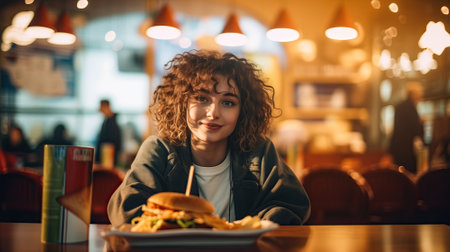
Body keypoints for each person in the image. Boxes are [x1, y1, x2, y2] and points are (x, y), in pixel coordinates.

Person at [107, 50, 311, 226]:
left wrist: (251, 228)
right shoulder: (159, 148)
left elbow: (291, 204)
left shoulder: (258, 150)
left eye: (228, 102)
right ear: (181, 102)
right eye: (202, 98)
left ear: (244, 110)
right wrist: (184, 226)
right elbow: (126, 209)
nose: (213, 113)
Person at [388, 82, 424, 174]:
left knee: (399, 177)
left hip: (399, 149)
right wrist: (421, 124)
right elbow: (414, 131)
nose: (421, 96)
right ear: (413, 94)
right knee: (408, 178)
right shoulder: (411, 108)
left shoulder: (400, 106)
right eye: (420, 93)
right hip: (407, 151)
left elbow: (396, 130)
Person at [96, 99, 122, 166]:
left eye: (101, 107)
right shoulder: (107, 121)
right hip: (106, 157)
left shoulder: (111, 123)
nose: (99, 109)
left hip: (107, 158)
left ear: (106, 107)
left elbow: (111, 143)